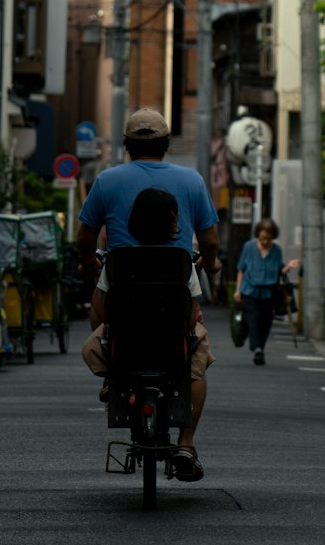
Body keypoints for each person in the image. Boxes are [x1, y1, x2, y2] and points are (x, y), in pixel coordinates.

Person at [77, 108, 221, 480]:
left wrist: (90, 265)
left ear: (126, 146)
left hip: (121, 287)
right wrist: (212, 262)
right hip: (176, 294)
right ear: (166, 144)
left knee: (101, 315)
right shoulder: (191, 181)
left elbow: (85, 238)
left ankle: (114, 371)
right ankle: (186, 444)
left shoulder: (107, 180)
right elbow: (210, 240)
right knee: (197, 358)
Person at [234, 218, 299, 365]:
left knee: (266, 322)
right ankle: (257, 348)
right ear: (258, 235)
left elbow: (279, 271)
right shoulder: (249, 247)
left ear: (273, 237)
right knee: (253, 319)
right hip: (250, 290)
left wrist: (289, 266)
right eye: (262, 238)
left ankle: (258, 347)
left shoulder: (277, 251)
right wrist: (238, 290)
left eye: (268, 239)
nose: (265, 242)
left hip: (269, 293)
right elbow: (241, 270)